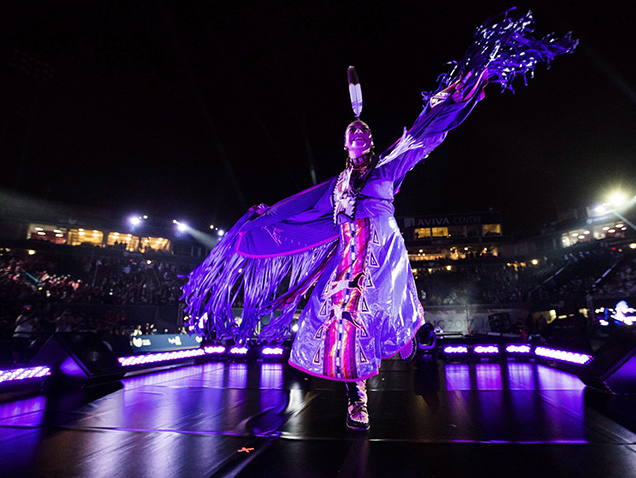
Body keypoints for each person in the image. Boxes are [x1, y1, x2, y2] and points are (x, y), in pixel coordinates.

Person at [181, 9, 577, 430]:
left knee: (386, 310)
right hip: (346, 256)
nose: (358, 137)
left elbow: (423, 137)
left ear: (370, 142)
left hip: (382, 251)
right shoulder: (335, 186)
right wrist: (268, 215)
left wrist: (450, 97)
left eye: (364, 133)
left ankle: (418, 339)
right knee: (340, 323)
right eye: (352, 135)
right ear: (345, 146)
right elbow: (300, 206)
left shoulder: (389, 166)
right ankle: (358, 400)